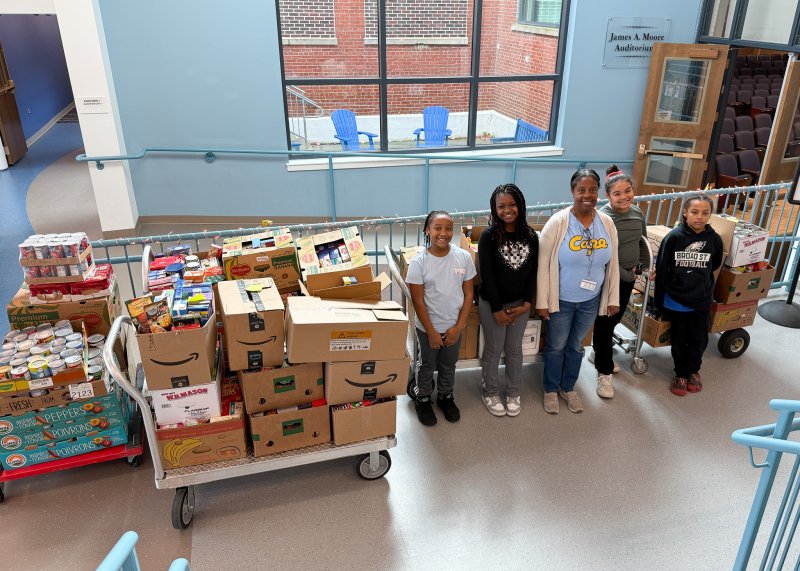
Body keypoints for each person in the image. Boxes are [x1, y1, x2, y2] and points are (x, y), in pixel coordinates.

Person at [536, 169, 619, 414]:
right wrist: (542, 301)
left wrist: (612, 297)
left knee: (576, 346)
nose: (587, 195)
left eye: (592, 190)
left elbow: (612, 262)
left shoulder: (606, 222)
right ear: (572, 192)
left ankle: (568, 387)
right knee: (556, 346)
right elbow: (542, 264)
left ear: (598, 193)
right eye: (581, 190)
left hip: (590, 300)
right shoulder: (558, 222)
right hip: (561, 300)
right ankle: (551, 389)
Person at [406, 210, 477, 426]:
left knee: (448, 364)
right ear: (427, 230)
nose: (443, 233)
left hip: (454, 326)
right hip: (428, 328)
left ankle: (446, 396)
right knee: (426, 364)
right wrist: (432, 332)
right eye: (437, 228)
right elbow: (418, 302)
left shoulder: (463, 257)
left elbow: (469, 294)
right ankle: (423, 397)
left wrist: (458, 327)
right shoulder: (419, 262)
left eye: (448, 229)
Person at [478, 183, 538, 417]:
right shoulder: (488, 236)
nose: (507, 210)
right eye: (501, 206)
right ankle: (490, 391)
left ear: (521, 205)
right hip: (493, 305)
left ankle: (513, 392)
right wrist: (496, 309)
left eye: (512, 204)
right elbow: (488, 275)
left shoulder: (531, 236)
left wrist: (526, 303)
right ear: (494, 208)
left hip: (520, 305)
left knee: (514, 350)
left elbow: (533, 272)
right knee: (494, 350)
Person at [654, 193, 723, 396]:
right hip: (676, 300)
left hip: (701, 300)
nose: (699, 217)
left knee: (699, 339)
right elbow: (662, 268)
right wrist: (659, 301)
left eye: (705, 213)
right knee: (680, 339)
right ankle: (681, 374)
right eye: (694, 212)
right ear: (685, 213)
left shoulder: (714, 239)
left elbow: (715, 263)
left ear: (710, 215)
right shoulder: (674, 237)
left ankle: (694, 370)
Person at [590, 165, 649, 399]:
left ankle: (598, 352)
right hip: (607, 280)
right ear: (608, 196)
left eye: (628, 191)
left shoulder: (637, 213)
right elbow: (603, 255)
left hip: (628, 278)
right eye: (617, 193)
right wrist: (627, 274)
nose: (624, 197)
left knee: (613, 320)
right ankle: (603, 373)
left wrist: (644, 267)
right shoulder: (602, 218)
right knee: (604, 324)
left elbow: (642, 242)